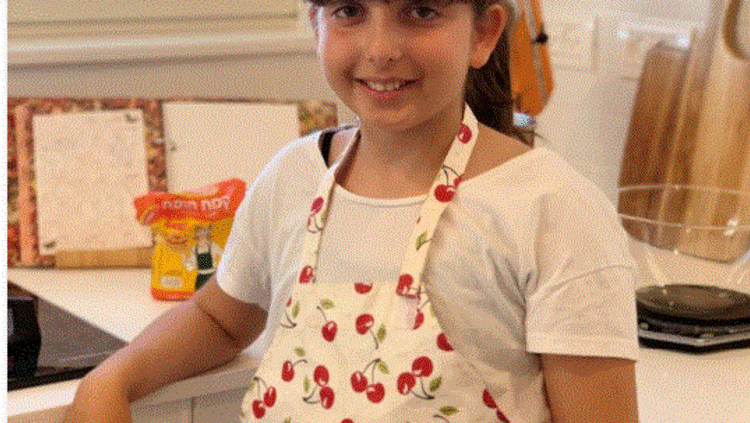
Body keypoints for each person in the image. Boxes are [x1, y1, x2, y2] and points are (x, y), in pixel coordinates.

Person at [65, 1, 639, 422]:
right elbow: (220, 318)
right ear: (315, 24)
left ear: (484, 34)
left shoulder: (551, 208)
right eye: (349, 11)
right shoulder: (293, 177)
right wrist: (111, 380)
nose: (381, 48)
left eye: (421, 11)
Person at [182, 225, 223, 290]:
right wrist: (185, 259)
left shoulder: (213, 246)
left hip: (212, 277)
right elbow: (191, 267)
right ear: (196, 234)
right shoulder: (195, 249)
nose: (202, 234)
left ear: (208, 233)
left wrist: (219, 268)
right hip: (201, 278)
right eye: (200, 231)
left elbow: (225, 257)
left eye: (204, 231)